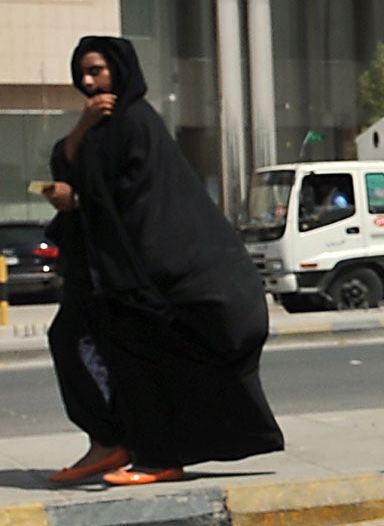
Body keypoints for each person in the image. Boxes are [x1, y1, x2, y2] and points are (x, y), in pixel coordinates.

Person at [41, 36, 283, 485]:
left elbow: (136, 195)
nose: (88, 81)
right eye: (83, 72)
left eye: (97, 70)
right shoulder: (100, 126)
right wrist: (81, 130)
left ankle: (158, 455)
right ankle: (109, 441)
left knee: (144, 360)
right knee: (70, 339)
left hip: (146, 271)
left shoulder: (135, 122)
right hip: (102, 272)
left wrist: (79, 198)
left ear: (120, 69)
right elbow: (68, 164)